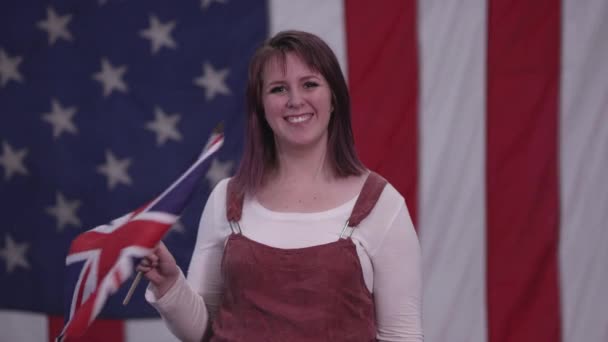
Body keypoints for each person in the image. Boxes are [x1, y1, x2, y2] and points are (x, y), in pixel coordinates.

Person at [137, 30, 423, 342]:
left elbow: (402, 336)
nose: (295, 101)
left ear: (334, 97)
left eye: (310, 84)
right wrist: (168, 283)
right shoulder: (227, 199)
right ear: (260, 106)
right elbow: (204, 333)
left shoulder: (381, 205)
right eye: (278, 89)